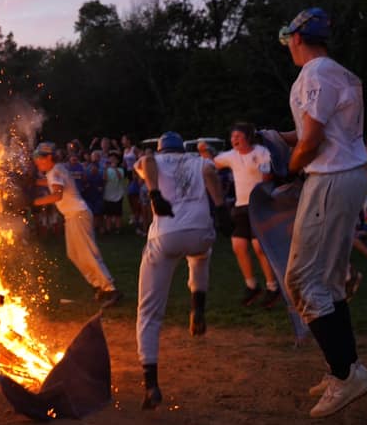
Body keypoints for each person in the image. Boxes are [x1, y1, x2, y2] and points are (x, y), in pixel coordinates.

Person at [278, 7, 367, 418]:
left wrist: (290, 167)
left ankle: (345, 373)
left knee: (301, 279)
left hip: (330, 179)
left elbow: (313, 139)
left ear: (298, 38)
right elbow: (315, 131)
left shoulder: (317, 74)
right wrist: (277, 138)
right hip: (343, 175)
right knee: (329, 283)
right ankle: (346, 370)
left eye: (289, 40)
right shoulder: (336, 73)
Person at [134, 132, 226, 409]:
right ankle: (198, 305)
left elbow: (147, 160)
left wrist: (154, 193)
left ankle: (151, 385)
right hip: (200, 232)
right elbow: (211, 172)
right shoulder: (197, 161)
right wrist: (220, 207)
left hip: (167, 234)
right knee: (200, 254)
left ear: (162, 149)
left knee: (148, 312)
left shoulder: (155, 159)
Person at [200, 122, 281, 308]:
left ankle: (272, 287)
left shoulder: (261, 152)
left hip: (260, 205)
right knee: (238, 245)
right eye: (232, 137)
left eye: (238, 136)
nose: (234, 139)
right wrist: (205, 152)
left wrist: (267, 175)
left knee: (259, 246)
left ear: (248, 137)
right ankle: (252, 285)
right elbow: (212, 165)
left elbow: (269, 174)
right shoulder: (231, 156)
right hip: (241, 206)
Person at [31, 141, 121, 308]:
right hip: (74, 215)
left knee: (86, 253)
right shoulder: (54, 171)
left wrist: (34, 202)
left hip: (78, 214)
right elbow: (50, 183)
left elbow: (57, 195)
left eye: (38, 157)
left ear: (49, 157)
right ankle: (99, 285)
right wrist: (33, 182)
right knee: (74, 253)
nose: (36, 161)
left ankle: (110, 289)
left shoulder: (56, 170)